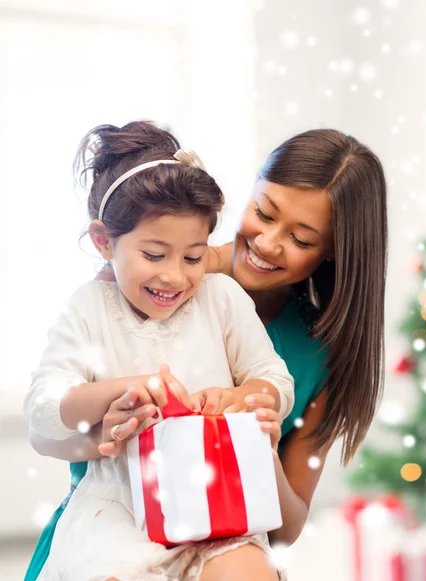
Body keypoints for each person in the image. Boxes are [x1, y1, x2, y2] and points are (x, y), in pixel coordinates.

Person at [26, 127, 388, 580]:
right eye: (264, 212)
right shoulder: (128, 281)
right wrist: (114, 422)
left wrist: (258, 438)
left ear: (334, 250)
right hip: (109, 528)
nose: (270, 242)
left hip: (222, 533)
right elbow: (45, 424)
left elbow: (287, 525)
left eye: (301, 239)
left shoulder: (301, 343)